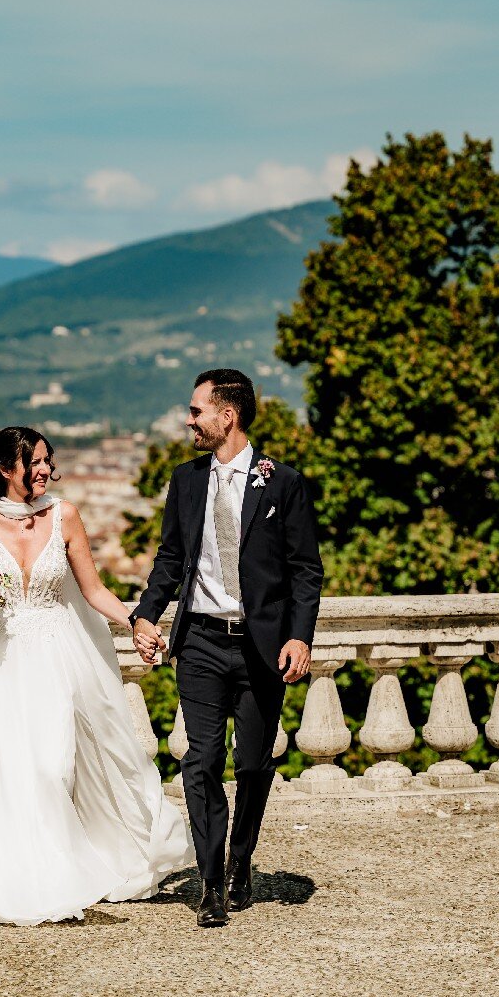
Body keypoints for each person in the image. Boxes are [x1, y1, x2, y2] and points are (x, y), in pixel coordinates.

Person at [0, 425, 193, 926]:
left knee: (52, 767)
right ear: (7, 468)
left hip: (56, 657)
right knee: (1, 767)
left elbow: (93, 590)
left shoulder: (64, 515)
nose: (46, 470)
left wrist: (136, 623)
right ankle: (19, 877)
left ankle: (61, 864)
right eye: (35, 462)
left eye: (48, 460)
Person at [129, 369, 323, 928]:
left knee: (254, 763)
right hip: (202, 643)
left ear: (226, 415)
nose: (188, 421)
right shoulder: (186, 481)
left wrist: (298, 635)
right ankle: (211, 882)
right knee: (201, 761)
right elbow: (170, 561)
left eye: (196, 411)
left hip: (262, 647)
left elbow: (305, 571)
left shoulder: (282, 483)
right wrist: (146, 613)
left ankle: (242, 863)